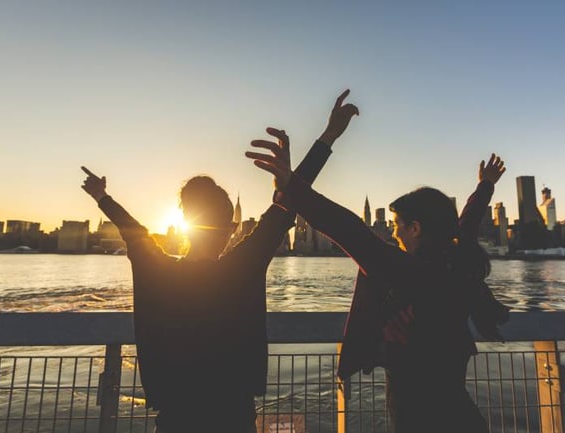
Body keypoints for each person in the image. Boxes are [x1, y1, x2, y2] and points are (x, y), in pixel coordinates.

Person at [80, 90, 358, 433]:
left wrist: (102, 197)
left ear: (184, 223)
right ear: (230, 229)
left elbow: (130, 228)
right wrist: (328, 136)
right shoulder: (240, 268)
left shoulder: (157, 268)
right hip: (233, 415)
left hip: (176, 417)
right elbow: (285, 210)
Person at [246, 135, 509, 432]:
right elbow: (465, 227)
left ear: (415, 228)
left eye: (397, 226)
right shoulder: (454, 265)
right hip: (460, 417)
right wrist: (485, 186)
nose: (394, 234)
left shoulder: (410, 271)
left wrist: (292, 185)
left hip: (421, 422)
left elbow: (349, 230)